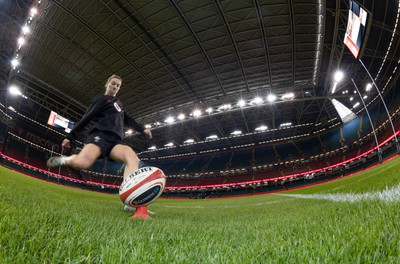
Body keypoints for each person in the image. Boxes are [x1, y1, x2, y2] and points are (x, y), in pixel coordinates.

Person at [47, 74, 152, 219]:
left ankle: (130, 202)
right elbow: (86, 118)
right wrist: (70, 137)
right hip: (100, 136)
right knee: (82, 163)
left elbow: (129, 120)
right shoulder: (101, 99)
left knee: (131, 157)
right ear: (107, 84)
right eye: (113, 84)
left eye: (118, 85)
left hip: (115, 142)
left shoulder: (119, 104)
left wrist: (142, 129)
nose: (115, 87)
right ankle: (65, 160)